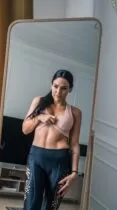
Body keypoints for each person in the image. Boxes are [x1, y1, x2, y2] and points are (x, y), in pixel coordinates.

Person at [22, 69, 82, 210]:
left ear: (70, 89)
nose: (58, 91)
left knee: (52, 206)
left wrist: (74, 173)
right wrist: (39, 118)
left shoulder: (75, 112)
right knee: (31, 203)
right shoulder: (39, 102)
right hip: (36, 157)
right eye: (55, 86)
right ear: (51, 85)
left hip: (59, 161)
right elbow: (25, 129)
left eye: (64, 88)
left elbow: (74, 144)